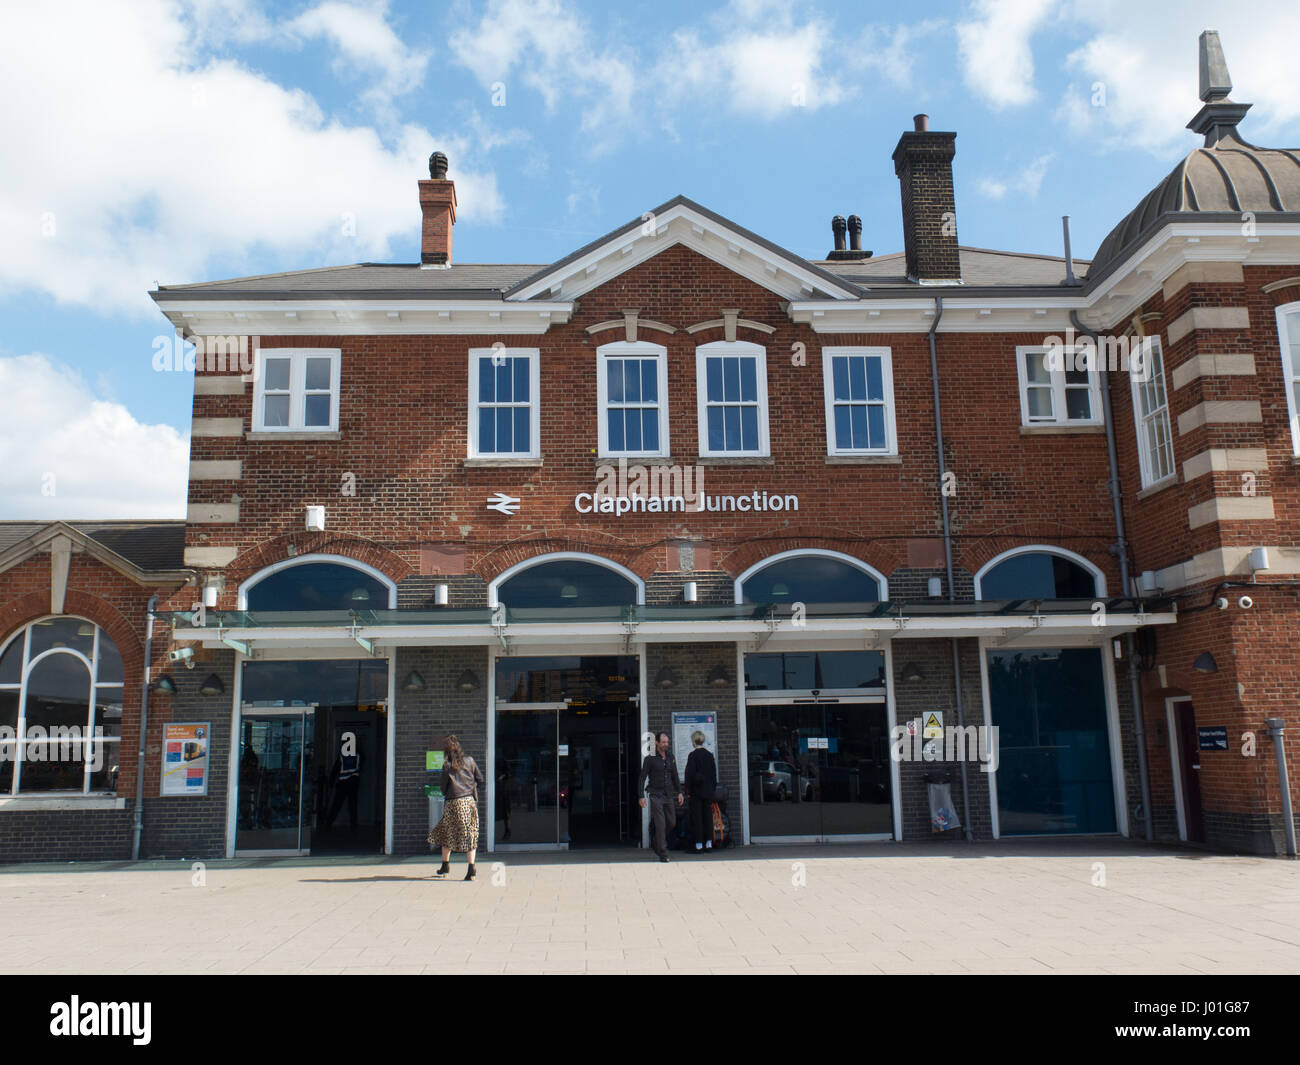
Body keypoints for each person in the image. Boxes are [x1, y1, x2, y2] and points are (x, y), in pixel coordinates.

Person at [428, 735, 484, 880]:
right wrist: (471, 787)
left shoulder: (447, 765)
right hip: (469, 802)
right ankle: (471, 869)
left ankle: (445, 865)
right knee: (470, 835)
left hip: (453, 803)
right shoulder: (470, 761)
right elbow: (480, 779)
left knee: (447, 835)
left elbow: (443, 788)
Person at [638, 731, 683, 862]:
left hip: (668, 794)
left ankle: (657, 839)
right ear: (656, 743)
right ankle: (663, 852)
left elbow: (675, 776)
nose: (666, 744)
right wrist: (641, 796)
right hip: (655, 795)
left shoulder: (670, 757)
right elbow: (642, 778)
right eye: (663, 742)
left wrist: (679, 792)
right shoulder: (650, 758)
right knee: (660, 823)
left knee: (672, 822)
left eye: (667, 742)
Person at [684, 730, 718, 853]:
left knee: (697, 818)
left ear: (694, 741)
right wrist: (712, 789)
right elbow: (714, 775)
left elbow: (690, 775)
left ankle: (699, 845)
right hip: (708, 792)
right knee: (708, 817)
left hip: (696, 792)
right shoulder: (709, 755)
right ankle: (709, 843)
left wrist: (688, 790)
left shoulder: (692, 756)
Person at [324, 734, 361, 832]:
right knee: (352, 805)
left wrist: (331, 782)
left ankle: (328, 824)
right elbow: (361, 765)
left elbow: (335, 768)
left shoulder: (343, 754)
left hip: (343, 782)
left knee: (337, 804)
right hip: (353, 782)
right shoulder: (358, 753)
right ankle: (353, 826)